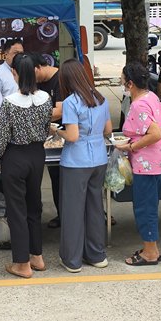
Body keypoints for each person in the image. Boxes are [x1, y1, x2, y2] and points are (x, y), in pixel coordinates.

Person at [0, 54, 52, 279]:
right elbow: (46, 127)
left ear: (14, 73)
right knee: (34, 205)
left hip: (15, 156)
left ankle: (22, 263)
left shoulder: (9, 102)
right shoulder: (45, 98)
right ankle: (37, 256)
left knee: (17, 210)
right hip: (37, 154)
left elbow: (1, 137)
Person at [53, 59, 112, 272]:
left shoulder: (71, 102)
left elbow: (72, 136)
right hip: (99, 158)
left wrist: (56, 130)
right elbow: (108, 130)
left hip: (76, 161)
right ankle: (96, 255)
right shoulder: (101, 98)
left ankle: (72, 259)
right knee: (95, 208)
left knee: (72, 211)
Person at [115, 62, 161, 266]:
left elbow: (154, 133)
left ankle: (150, 253)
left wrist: (131, 146)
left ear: (130, 83)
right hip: (159, 160)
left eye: (123, 80)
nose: (121, 82)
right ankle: (151, 247)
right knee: (150, 206)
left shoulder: (138, 104)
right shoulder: (151, 96)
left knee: (144, 209)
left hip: (147, 164)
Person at [29, 52, 64, 228]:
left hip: (66, 135)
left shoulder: (60, 79)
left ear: (38, 68)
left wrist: (33, 115)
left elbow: (60, 111)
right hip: (48, 137)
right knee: (55, 177)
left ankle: (73, 216)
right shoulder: (38, 83)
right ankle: (61, 215)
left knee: (66, 178)